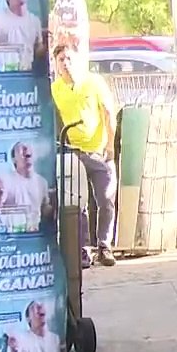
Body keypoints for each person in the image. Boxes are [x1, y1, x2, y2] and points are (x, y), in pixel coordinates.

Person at [50, 42, 119, 266]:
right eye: (62, 60)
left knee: (106, 199)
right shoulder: (56, 89)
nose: (66, 64)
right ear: (56, 65)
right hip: (74, 153)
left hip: (98, 150)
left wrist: (110, 146)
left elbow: (108, 113)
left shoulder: (93, 82)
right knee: (78, 204)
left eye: (69, 59)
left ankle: (104, 246)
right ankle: (83, 249)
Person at [0, 141, 53, 224]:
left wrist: (56, 209)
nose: (25, 149)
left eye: (28, 151)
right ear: (14, 159)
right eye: (21, 149)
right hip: (12, 233)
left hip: (34, 232)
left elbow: (44, 208)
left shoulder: (41, 182)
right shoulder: (5, 181)